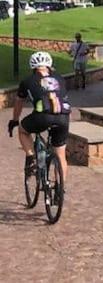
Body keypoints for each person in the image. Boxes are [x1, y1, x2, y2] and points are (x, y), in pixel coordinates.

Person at [7, 51, 71, 187]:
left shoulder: (27, 81)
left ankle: (31, 158)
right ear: (49, 64)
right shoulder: (60, 78)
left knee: (23, 130)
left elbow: (19, 102)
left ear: (33, 66)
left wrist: (14, 119)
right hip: (63, 118)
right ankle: (60, 189)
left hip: (42, 117)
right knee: (60, 155)